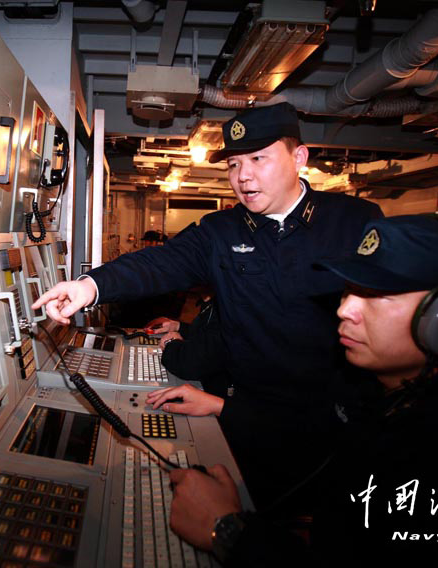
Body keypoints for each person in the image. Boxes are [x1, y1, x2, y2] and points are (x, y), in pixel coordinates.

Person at [33, 102, 383, 500]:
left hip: (329, 425)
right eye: (233, 164)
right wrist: (89, 287)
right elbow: (160, 262)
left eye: (257, 158)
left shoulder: (355, 221)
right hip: (246, 416)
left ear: (298, 157)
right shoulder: (221, 230)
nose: (243, 176)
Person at [167, 215, 438, 566]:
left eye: (375, 294)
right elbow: (310, 433)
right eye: (348, 289)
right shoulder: (369, 389)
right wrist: (221, 407)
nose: (345, 309)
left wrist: (229, 532)